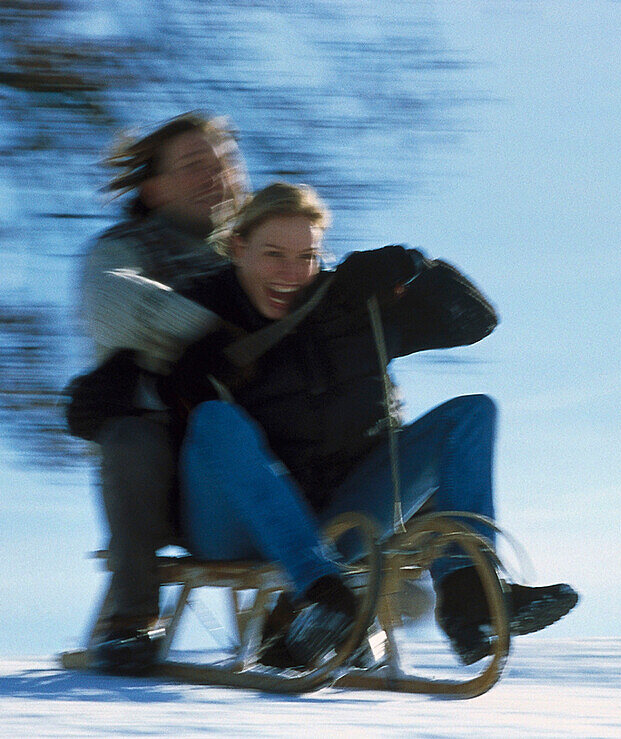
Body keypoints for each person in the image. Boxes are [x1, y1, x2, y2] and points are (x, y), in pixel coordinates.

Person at [161, 182, 578, 668]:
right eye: (273, 254)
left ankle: (470, 599)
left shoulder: (347, 307)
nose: (290, 274)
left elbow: (477, 320)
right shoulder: (199, 307)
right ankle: (320, 598)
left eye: (306, 257)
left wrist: (413, 266)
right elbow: (134, 359)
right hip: (231, 520)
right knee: (215, 419)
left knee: (472, 414)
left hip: (336, 520)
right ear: (238, 248)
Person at [74, 111, 248, 674]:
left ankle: (323, 604)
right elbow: (113, 303)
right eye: (195, 165)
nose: (215, 175)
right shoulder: (125, 247)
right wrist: (218, 333)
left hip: (256, 461)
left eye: (222, 162)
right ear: (151, 188)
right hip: (164, 477)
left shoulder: (260, 252)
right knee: (127, 432)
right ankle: (130, 623)